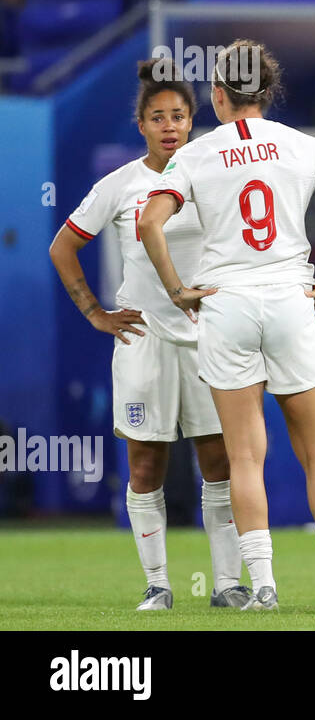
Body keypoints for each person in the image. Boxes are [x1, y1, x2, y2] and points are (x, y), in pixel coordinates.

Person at [138, 39, 315, 611]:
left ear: (219, 95)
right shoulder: (301, 145)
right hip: (289, 299)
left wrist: (178, 290)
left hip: (226, 304)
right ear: (268, 92)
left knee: (246, 457)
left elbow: (151, 223)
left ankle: (264, 587)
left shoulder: (197, 154)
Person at [48, 59, 248, 612]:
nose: (169, 126)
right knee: (144, 466)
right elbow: (62, 247)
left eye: (178, 115)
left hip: (208, 340)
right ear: (140, 125)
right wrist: (95, 311)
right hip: (143, 343)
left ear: (192, 121)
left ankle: (228, 585)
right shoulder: (120, 185)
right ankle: (158, 586)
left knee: (220, 463)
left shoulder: (213, 177)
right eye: (157, 116)